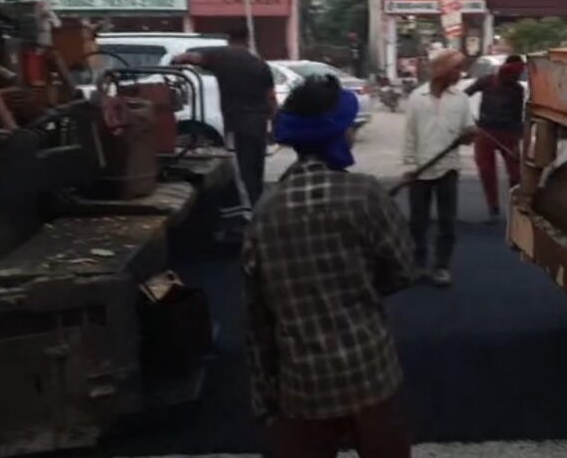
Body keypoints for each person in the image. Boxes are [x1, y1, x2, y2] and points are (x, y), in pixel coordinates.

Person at [243, 74, 416, 458]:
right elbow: (403, 271)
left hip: (303, 386)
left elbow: (258, 315)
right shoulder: (367, 195)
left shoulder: (265, 212)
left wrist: (264, 397)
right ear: (338, 135)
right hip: (370, 372)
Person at [172, 27, 277, 207]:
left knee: (241, 168)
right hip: (258, 123)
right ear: (248, 40)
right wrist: (274, 122)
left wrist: (177, 60)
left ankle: (249, 209)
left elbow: (191, 58)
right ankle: (258, 203)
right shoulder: (260, 64)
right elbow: (271, 98)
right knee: (256, 166)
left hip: (236, 122)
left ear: (229, 39)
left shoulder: (222, 56)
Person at [402, 49, 476, 287]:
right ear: (441, 69)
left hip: (448, 168)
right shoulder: (416, 98)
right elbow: (410, 136)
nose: (460, 73)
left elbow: (467, 130)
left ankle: (441, 266)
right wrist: (409, 165)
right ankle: (418, 264)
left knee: (447, 222)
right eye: (456, 68)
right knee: (418, 222)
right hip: (420, 168)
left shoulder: (461, 99)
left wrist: (469, 135)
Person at [464, 55, 526, 224]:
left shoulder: (517, 90)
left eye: (517, 74)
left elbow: (518, 116)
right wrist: (468, 119)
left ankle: (518, 210)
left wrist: (517, 142)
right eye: (512, 73)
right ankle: (494, 209)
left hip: (508, 134)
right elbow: (463, 96)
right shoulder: (487, 81)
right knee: (487, 173)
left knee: (515, 175)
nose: (514, 77)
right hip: (485, 132)